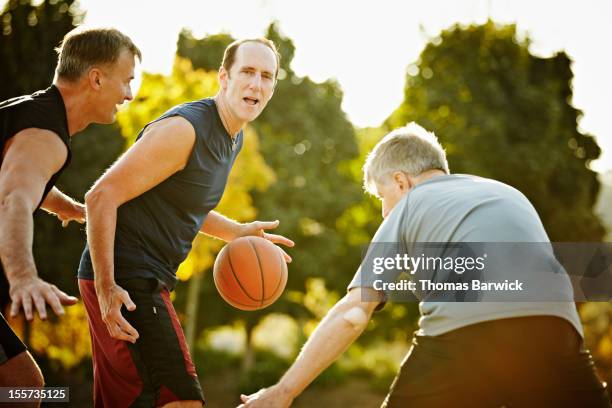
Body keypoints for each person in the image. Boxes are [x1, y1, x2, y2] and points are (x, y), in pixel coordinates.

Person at [239, 123, 611, 408]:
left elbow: (355, 312)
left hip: (464, 337)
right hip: (557, 331)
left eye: (383, 197)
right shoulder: (508, 193)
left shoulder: (412, 204)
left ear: (401, 182)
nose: (385, 211)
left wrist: (282, 392)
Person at [77, 37, 293, 408]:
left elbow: (183, 203)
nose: (256, 84)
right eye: (247, 72)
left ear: (274, 87)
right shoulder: (187, 129)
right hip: (127, 277)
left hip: (144, 277)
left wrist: (237, 232)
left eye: (267, 76)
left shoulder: (232, 136)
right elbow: (100, 197)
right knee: (181, 399)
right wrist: (107, 287)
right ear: (224, 78)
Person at [0, 27, 140, 394]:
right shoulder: (45, 135)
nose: (129, 94)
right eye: (126, 81)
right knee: (24, 387)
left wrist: (73, 209)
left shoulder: (36, 116)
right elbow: (13, 199)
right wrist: (23, 277)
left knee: (22, 386)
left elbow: (25, 180)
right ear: (96, 78)